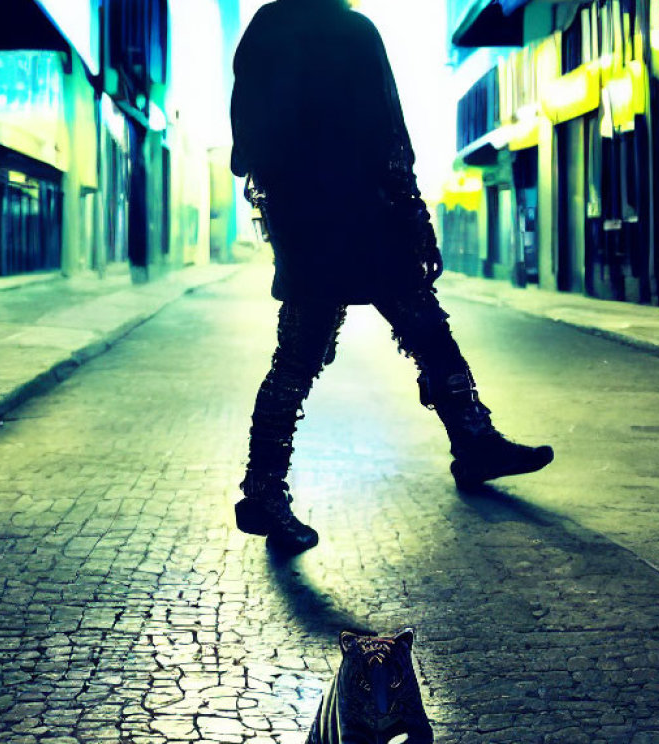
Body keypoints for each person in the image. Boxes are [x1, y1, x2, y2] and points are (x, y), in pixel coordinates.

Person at [230, 0, 554, 554]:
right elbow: (388, 136)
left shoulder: (267, 26)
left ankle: (263, 490)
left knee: (296, 360)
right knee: (427, 330)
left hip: (303, 224)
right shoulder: (353, 30)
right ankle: (474, 440)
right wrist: (415, 220)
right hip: (367, 220)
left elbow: (246, 148)